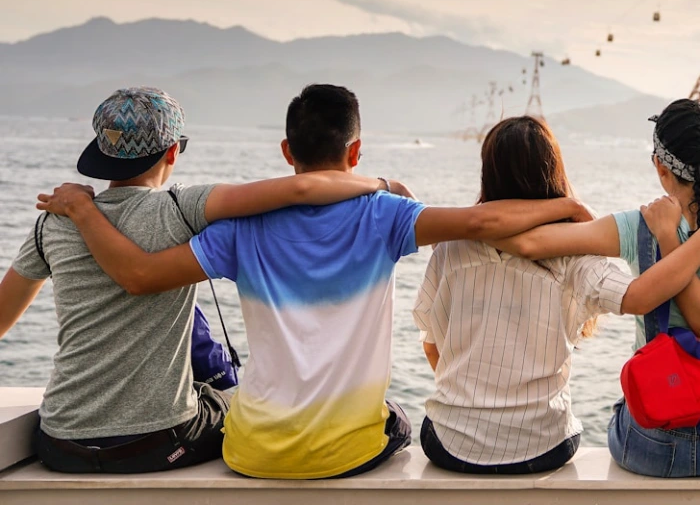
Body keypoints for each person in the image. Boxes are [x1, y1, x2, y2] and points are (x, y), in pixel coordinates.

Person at [35, 84, 595, 480]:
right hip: (346, 454)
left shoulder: (240, 228)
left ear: (286, 151)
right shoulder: (386, 216)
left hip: (251, 452)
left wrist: (84, 213)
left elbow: (142, 274)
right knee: (397, 416)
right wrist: (570, 205)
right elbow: (484, 222)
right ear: (355, 151)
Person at [0, 86, 403, 474]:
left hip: (60, 443)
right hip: (155, 443)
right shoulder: (182, 208)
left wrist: (81, 208)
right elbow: (301, 188)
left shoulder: (53, 222)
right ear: (173, 150)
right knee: (230, 402)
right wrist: (382, 185)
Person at [413, 114, 700, 475]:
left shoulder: (449, 251)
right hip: (544, 445)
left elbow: (431, 345)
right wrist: (571, 206)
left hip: (452, 446)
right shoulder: (576, 259)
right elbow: (636, 297)